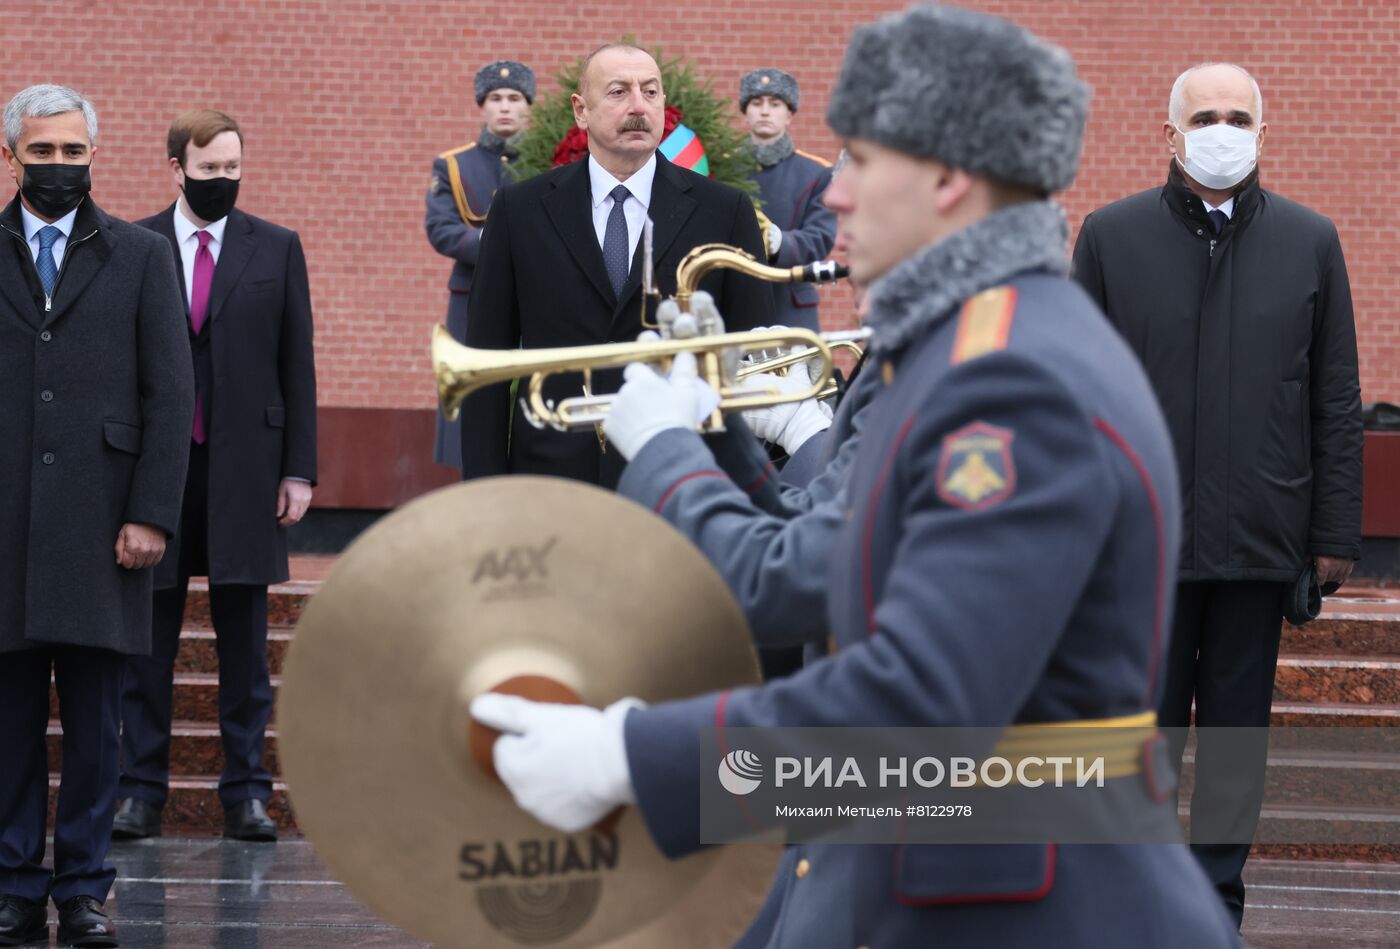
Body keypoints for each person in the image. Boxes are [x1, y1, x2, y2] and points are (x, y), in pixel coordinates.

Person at [471, 7, 1241, 946]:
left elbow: (918, 709)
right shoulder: (956, 349)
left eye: (862, 161)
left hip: (1023, 909)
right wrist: (706, 437)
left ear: (950, 178)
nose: (832, 195)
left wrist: (635, 757)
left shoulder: (1011, 377)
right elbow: (828, 569)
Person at [1071, 62, 1363, 927]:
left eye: (1239, 115)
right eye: (1205, 115)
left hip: (1258, 538)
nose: (1223, 129)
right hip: (1142, 543)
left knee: (1237, 742)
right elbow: (1075, 394)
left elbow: (1333, 398)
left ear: (1263, 132)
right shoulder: (1110, 236)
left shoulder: (1310, 241)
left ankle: (1216, 904)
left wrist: (1334, 534)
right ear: (1170, 133)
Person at [0, 83, 193, 948]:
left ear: (92, 155)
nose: (58, 168)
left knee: (93, 730)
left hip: (105, 529)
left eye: (73, 153)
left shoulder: (143, 256)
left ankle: (81, 886)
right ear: (12, 156)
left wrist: (152, 511)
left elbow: (170, 391)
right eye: (42, 153)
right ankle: (12, 883)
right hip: (4, 527)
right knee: (6, 729)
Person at [112, 109, 318, 845]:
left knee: (245, 651)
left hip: (248, 473)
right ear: (176, 167)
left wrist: (300, 469)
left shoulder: (278, 247)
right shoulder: (131, 245)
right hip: (156, 475)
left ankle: (246, 794)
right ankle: (138, 792)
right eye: (208, 171)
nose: (222, 182)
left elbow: (298, 364)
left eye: (233, 169)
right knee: (147, 649)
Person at [459, 42, 774, 489]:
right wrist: (485, 494)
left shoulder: (725, 211)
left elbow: (752, 359)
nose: (638, 107)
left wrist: (749, 492)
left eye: (650, 92)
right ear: (581, 111)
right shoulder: (518, 210)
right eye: (618, 92)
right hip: (550, 480)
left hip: (682, 481)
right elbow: (486, 365)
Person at [426, 60, 534, 468]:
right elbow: (442, 230)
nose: (504, 107)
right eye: (495, 98)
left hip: (533, 298)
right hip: (470, 298)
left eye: (514, 98)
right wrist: (497, 245)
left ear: (528, 106)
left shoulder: (551, 159)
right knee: (474, 404)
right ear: (482, 107)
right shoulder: (453, 165)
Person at [740, 68, 836, 331]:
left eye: (775, 103)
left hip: (791, 309)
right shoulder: (723, 167)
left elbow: (821, 238)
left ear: (789, 115)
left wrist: (779, 241)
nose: (765, 111)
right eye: (756, 103)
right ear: (746, 113)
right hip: (736, 304)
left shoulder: (816, 173)